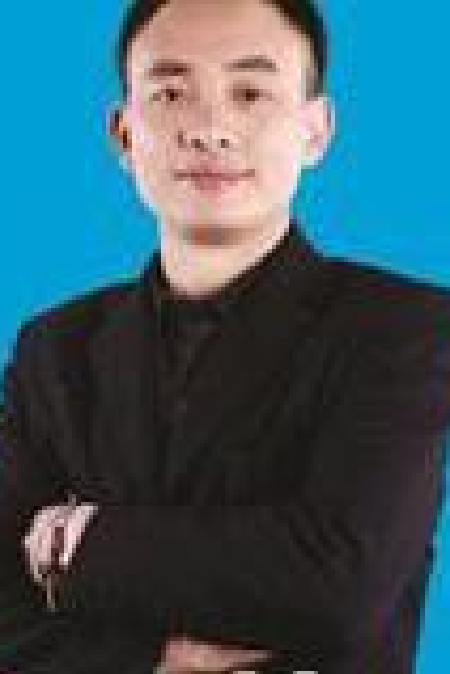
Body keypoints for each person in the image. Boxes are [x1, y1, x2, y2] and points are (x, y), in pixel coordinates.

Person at [1, 0, 449, 672]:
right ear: (123, 134)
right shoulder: (55, 348)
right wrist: (151, 659)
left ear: (315, 130)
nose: (210, 130)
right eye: (170, 93)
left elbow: (338, 586)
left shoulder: (401, 328)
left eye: (250, 93)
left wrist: (83, 541)